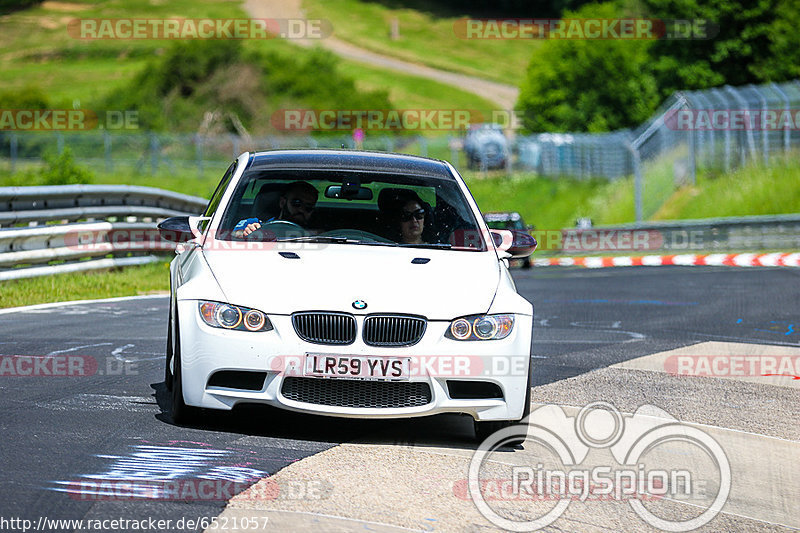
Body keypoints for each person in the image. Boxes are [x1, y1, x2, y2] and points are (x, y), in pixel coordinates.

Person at [234, 181, 318, 237]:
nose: (301, 210)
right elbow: (232, 236)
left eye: (308, 207)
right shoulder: (254, 224)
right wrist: (246, 233)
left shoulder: (317, 235)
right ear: (282, 203)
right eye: (296, 203)